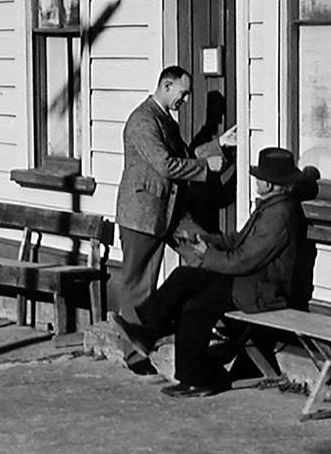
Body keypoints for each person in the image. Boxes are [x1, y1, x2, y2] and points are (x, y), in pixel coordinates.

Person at [109, 146, 318, 397]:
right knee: (184, 277)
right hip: (247, 282)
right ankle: (150, 332)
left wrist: (206, 255)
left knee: (196, 307)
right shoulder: (271, 206)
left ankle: (203, 377)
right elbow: (238, 240)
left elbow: (243, 260)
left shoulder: (279, 215)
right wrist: (204, 238)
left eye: (260, 178)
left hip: (261, 292)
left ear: (272, 185)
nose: (257, 181)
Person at [114, 66, 232, 325]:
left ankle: (210, 319)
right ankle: (135, 350)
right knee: (139, 283)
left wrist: (220, 144)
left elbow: (186, 157)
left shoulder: (166, 120)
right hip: (142, 214)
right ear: (166, 86)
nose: (186, 100)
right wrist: (206, 166)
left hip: (171, 211)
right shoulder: (143, 121)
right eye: (184, 93)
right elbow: (166, 165)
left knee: (202, 254)